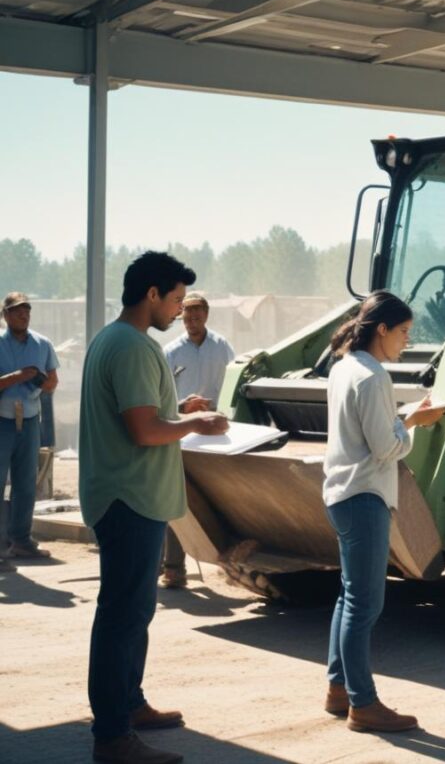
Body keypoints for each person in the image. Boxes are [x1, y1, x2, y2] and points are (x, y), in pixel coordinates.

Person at [80, 251, 229, 764]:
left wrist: (177, 410)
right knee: (122, 616)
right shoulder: (133, 348)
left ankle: (130, 703)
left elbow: (145, 414)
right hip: (129, 499)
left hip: (128, 497)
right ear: (151, 295)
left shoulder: (116, 339)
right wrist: (198, 424)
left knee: (133, 611)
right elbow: (143, 431)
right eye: (175, 300)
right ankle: (113, 736)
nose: (179, 310)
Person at [322, 291, 445, 733]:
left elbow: (366, 432)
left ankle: (339, 688)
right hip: (365, 496)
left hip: (340, 493)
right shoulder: (374, 377)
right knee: (365, 605)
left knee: (348, 597)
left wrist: (404, 419)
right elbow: (386, 447)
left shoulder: (342, 368)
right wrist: (413, 427)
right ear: (382, 330)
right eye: (404, 332)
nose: (406, 341)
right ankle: (363, 704)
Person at [160, 290, 236, 589]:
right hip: (181, 433)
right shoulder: (171, 352)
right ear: (180, 316)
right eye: (186, 315)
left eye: (197, 315)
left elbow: (232, 387)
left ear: (206, 315)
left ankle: (227, 562)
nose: (192, 320)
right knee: (175, 498)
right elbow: (161, 395)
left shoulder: (223, 348)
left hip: (215, 434)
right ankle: (173, 567)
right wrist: (183, 404)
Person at [0, 291, 59, 568]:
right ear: (6, 315)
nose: (23, 315)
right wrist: (16, 377)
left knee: (25, 484)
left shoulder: (42, 344)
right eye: (17, 311)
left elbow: (53, 382)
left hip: (30, 419)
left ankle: (21, 540)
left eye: (26, 310)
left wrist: (41, 381)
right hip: (2, 419)